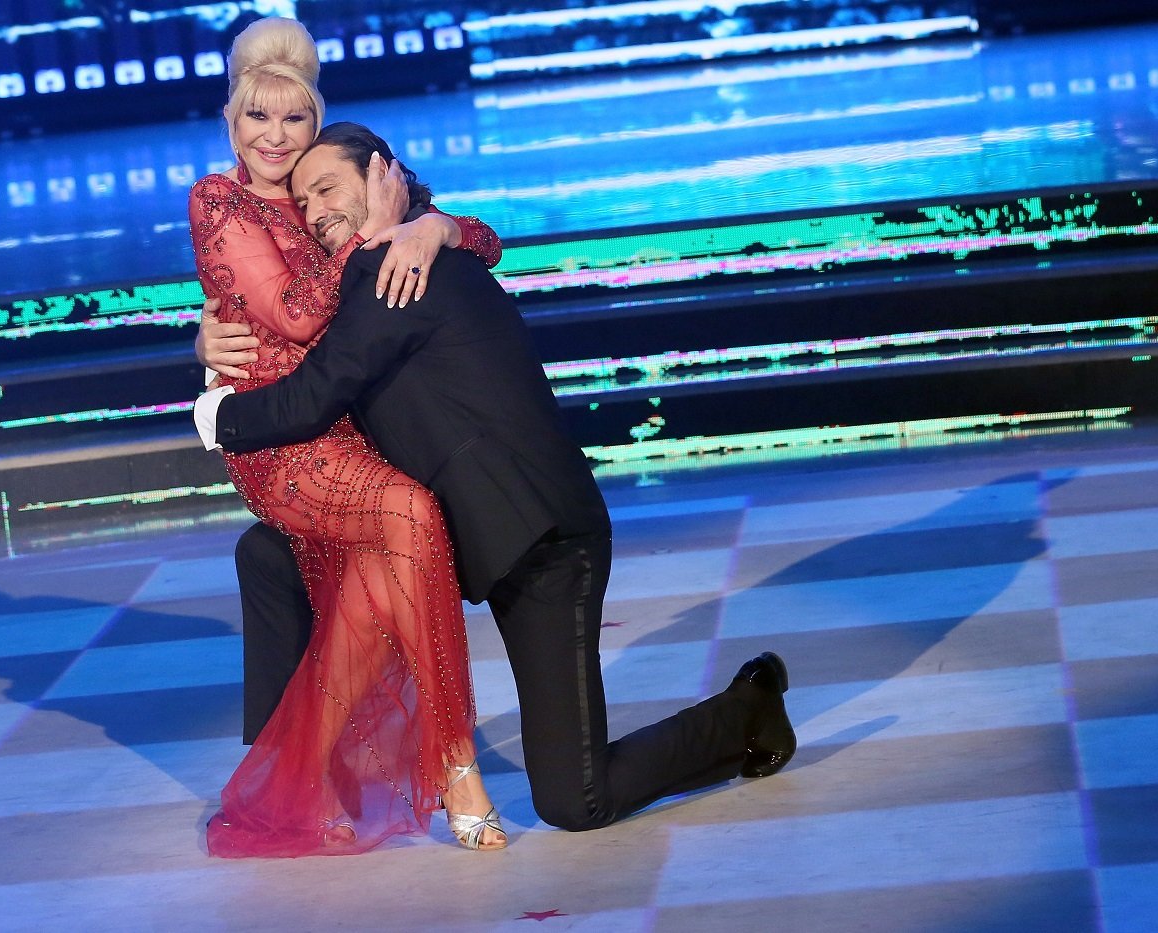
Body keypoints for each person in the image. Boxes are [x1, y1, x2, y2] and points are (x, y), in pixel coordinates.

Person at [194, 123, 799, 833]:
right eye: (302, 201)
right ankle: (285, 772)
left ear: (383, 178)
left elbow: (313, 394)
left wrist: (212, 415)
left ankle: (748, 710)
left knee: (576, 799)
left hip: (539, 540)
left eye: (328, 187)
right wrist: (206, 341)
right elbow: (289, 329)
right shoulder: (381, 267)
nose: (316, 208)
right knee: (268, 555)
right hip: (461, 524)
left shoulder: (403, 272)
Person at [190, 17, 510, 858]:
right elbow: (292, 313)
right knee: (409, 513)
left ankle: (293, 779)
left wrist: (428, 229)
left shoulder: (316, 193)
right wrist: (375, 233)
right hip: (277, 444)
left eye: (293, 118)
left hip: (344, 431)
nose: (276, 135)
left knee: (370, 602)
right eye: (258, 116)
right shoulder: (216, 199)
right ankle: (456, 766)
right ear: (231, 119)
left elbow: (484, 236)